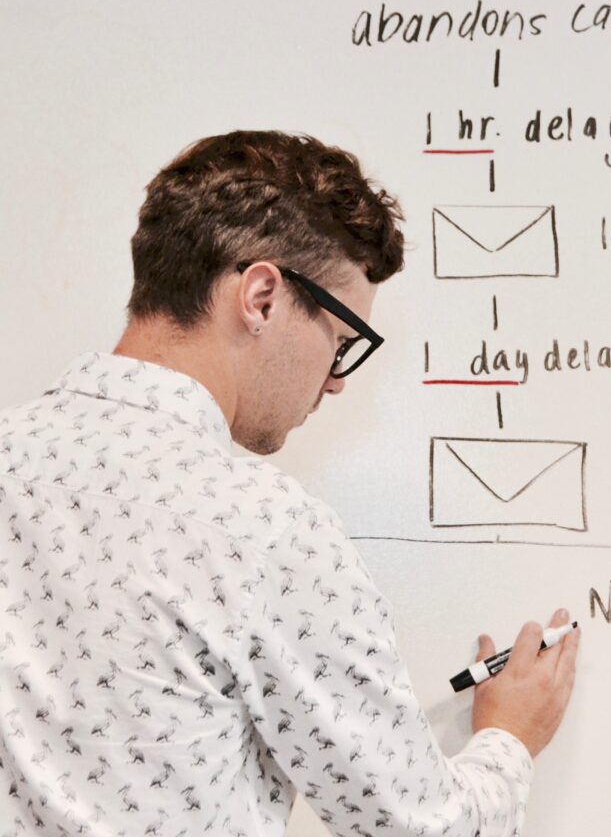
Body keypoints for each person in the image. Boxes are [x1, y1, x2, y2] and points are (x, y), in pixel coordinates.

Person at [0, 130, 580, 836]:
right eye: (341, 341)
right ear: (263, 296)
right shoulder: (265, 527)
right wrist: (511, 737)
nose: (335, 380)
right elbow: (422, 829)